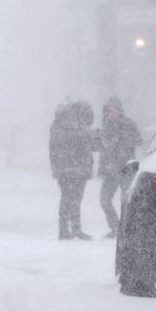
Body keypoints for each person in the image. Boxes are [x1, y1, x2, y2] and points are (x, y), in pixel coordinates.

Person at [49, 99, 95, 240]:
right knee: (68, 199)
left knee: (75, 200)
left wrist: (95, 138)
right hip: (68, 169)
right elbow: (69, 142)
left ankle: (75, 229)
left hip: (78, 168)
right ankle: (64, 230)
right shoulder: (62, 125)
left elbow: (84, 146)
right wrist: (87, 134)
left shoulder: (76, 126)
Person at [97, 97, 141, 238]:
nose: (109, 113)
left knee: (126, 201)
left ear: (119, 110)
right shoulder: (105, 126)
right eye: (107, 111)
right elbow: (102, 148)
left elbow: (138, 140)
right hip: (109, 170)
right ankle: (115, 227)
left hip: (125, 170)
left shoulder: (128, 124)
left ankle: (126, 230)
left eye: (112, 110)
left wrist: (123, 142)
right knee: (104, 200)